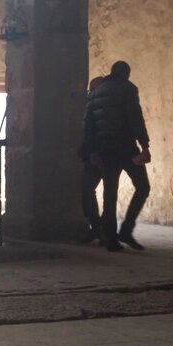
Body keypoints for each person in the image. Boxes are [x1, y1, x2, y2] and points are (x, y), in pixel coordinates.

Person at [83, 61, 151, 252]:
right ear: (126, 74)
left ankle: (111, 239)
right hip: (126, 147)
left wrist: (93, 151)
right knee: (143, 187)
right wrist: (144, 145)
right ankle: (127, 230)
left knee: (109, 194)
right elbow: (136, 118)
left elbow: (88, 126)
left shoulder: (95, 93)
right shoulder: (128, 89)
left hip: (105, 150)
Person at [77, 76, 105, 244]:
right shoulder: (93, 105)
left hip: (104, 153)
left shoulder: (95, 105)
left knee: (89, 190)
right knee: (87, 190)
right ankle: (97, 228)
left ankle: (100, 229)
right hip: (95, 154)